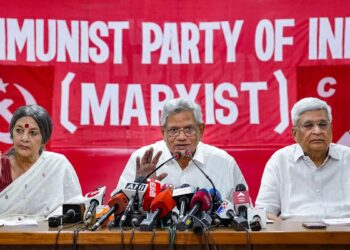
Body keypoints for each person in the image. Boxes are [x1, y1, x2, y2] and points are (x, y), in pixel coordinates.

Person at [115, 98, 247, 199]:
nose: (181, 137)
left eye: (188, 129)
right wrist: (141, 186)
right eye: (173, 130)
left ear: (201, 130)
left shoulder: (224, 162)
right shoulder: (142, 160)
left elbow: (245, 214)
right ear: (163, 132)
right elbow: (116, 209)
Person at [256, 97, 350, 221]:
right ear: (295, 134)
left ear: (331, 130)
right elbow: (263, 211)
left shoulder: (347, 158)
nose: (317, 131)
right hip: (296, 237)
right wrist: (286, 231)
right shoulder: (280, 160)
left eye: (323, 125)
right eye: (308, 126)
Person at [0, 104, 83, 220]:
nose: (24, 138)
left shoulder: (57, 165)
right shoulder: (1, 167)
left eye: (33, 133)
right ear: (11, 133)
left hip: (48, 235)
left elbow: (75, 206)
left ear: (44, 138)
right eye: (19, 131)